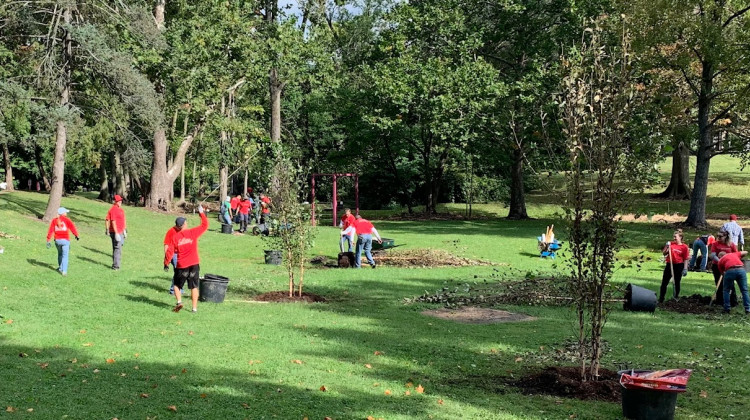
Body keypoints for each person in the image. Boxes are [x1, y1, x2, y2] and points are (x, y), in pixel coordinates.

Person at [164, 205, 209, 313]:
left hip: (182, 265)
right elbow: (205, 225)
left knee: (176, 285)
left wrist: (166, 263)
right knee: (194, 286)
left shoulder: (175, 237)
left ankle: (179, 302)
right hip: (194, 264)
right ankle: (194, 309)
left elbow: (169, 251)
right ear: (184, 224)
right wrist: (201, 213)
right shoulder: (192, 233)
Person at [46, 207, 79, 276]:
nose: (66, 213)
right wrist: (76, 235)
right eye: (65, 212)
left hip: (57, 241)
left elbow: (51, 230)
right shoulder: (67, 220)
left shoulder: (54, 220)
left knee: (60, 254)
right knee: (65, 256)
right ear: (63, 213)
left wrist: (48, 239)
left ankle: (60, 268)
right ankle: (64, 271)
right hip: (65, 240)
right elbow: (72, 227)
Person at [659, 230, 689, 303]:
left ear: (680, 237)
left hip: (679, 266)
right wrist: (667, 247)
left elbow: (686, 258)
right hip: (669, 264)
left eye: (675, 237)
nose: (674, 238)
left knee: (676, 282)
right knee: (664, 282)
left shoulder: (684, 247)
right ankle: (661, 299)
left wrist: (685, 268)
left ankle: (675, 298)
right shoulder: (671, 244)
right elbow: (664, 253)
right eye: (674, 237)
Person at [710, 230, 738, 307]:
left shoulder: (731, 245)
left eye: (720, 236)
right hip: (717, 265)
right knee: (719, 283)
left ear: (726, 237)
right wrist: (720, 261)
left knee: (730, 283)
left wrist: (729, 262)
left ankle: (733, 301)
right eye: (717, 236)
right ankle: (720, 301)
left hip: (728, 267)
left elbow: (736, 254)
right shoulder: (715, 244)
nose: (718, 238)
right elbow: (712, 255)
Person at [105, 194, 126, 270]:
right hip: (115, 232)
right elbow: (112, 221)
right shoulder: (113, 209)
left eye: (120, 200)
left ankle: (115, 264)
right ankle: (116, 266)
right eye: (118, 201)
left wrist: (124, 230)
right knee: (117, 248)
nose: (120, 202)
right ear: (115, 201)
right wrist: (116, 232)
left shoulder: (120, 210)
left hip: (121, 231)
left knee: (118, 247)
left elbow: (123, 220)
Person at [164, 221, 185, 295]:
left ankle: (180, 289)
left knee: (182, 272)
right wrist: (167, 259)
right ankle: (173, 290)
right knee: (179, 272)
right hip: (174, 254)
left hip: (182, 254)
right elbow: (166, 244)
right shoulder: (171, 231)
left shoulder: (184, 231)